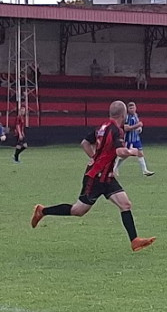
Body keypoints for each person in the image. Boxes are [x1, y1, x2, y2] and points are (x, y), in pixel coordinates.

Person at [30, 100, 156, 252]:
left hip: (107, 177)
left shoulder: (102, 127)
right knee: (78, 210)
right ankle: (42, 211)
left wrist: (94, 157)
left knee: (125, 204)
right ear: (123, 115)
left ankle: (134, 240)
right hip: (95, 177)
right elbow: (119, 151)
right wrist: (132, 152)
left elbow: (85, 142)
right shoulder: (116, 130)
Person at [115, 101, 155, 176]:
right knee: (125, 155)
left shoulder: (136, 115)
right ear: (127, 109)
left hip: (136, 138)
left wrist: (139, 128)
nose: (132, 109)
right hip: (128, 139)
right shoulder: (126, 117)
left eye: (133, 108)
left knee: (140, 153)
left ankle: (145, 171)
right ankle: (115, 167)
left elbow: (137, 125)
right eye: (130, 108)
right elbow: (126, 128)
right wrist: (137, 125)